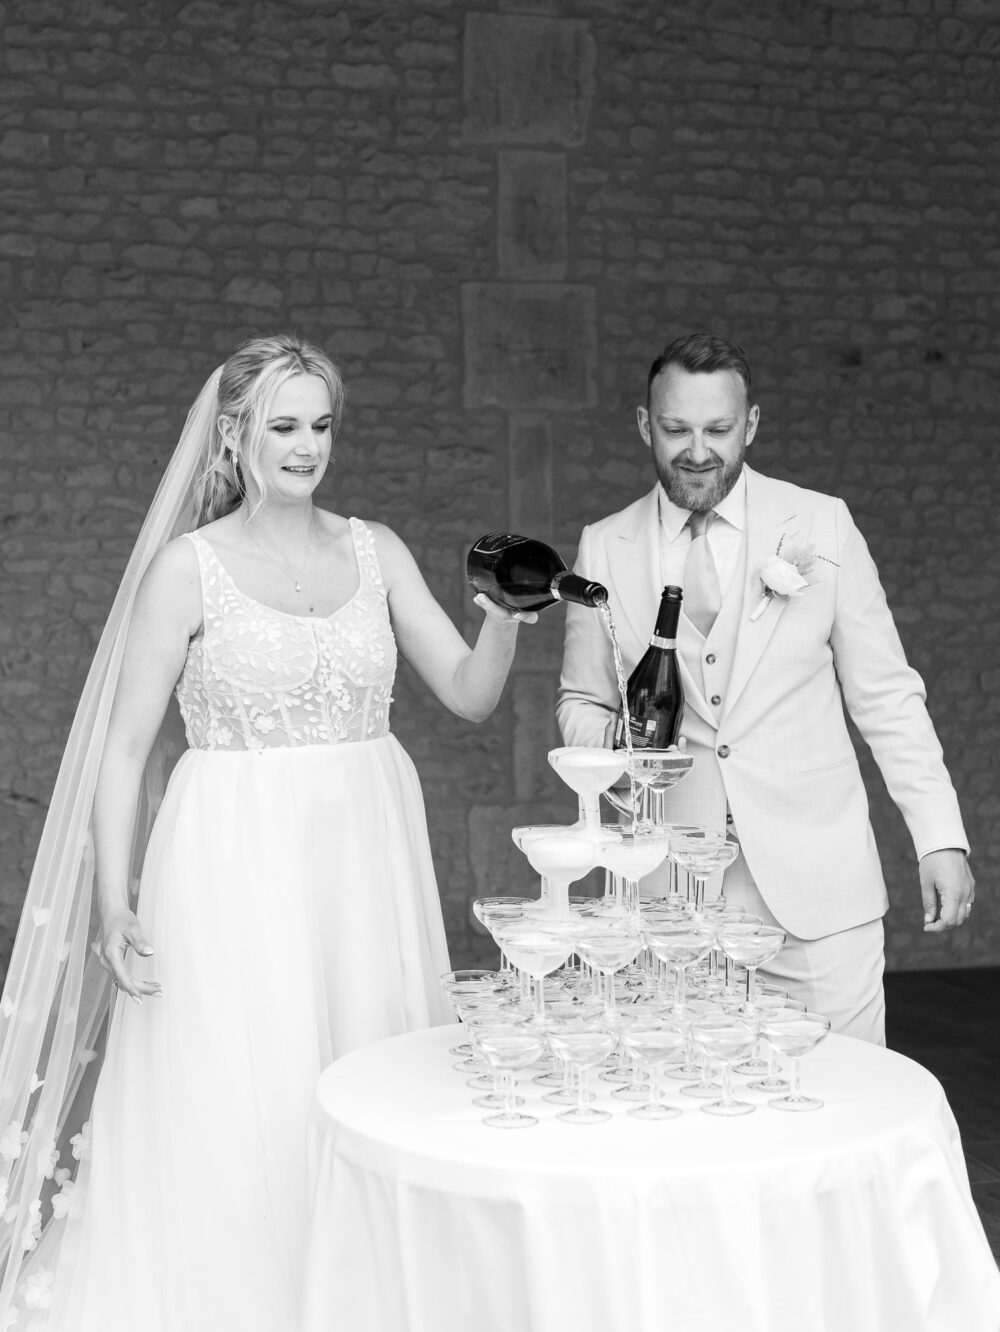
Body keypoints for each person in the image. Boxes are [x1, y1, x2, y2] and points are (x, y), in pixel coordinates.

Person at [0, 334, 534, 1330]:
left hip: (365, 856)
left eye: (321, 425)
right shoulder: (187, 571)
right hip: (230, 859)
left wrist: (502, 617)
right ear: (233, 436)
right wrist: (113, 903)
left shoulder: (376, 550)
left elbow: (468, 694)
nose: (306, 447)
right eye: (283, 426)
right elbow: (124, 750)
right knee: (249, 1086)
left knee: (369, 1068)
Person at [557, 332, 974, 1043]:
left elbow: (886, 695)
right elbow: (581, 702)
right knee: (683, 1099)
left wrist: (939, 838)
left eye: (718, 429)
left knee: (844, 1092)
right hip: (667, 903)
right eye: (676, 429)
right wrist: (626, 750)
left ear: (750, 425)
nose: (697, 451)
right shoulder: (604, 544)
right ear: (644, 425)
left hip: (818, 895)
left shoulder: (822, 524)